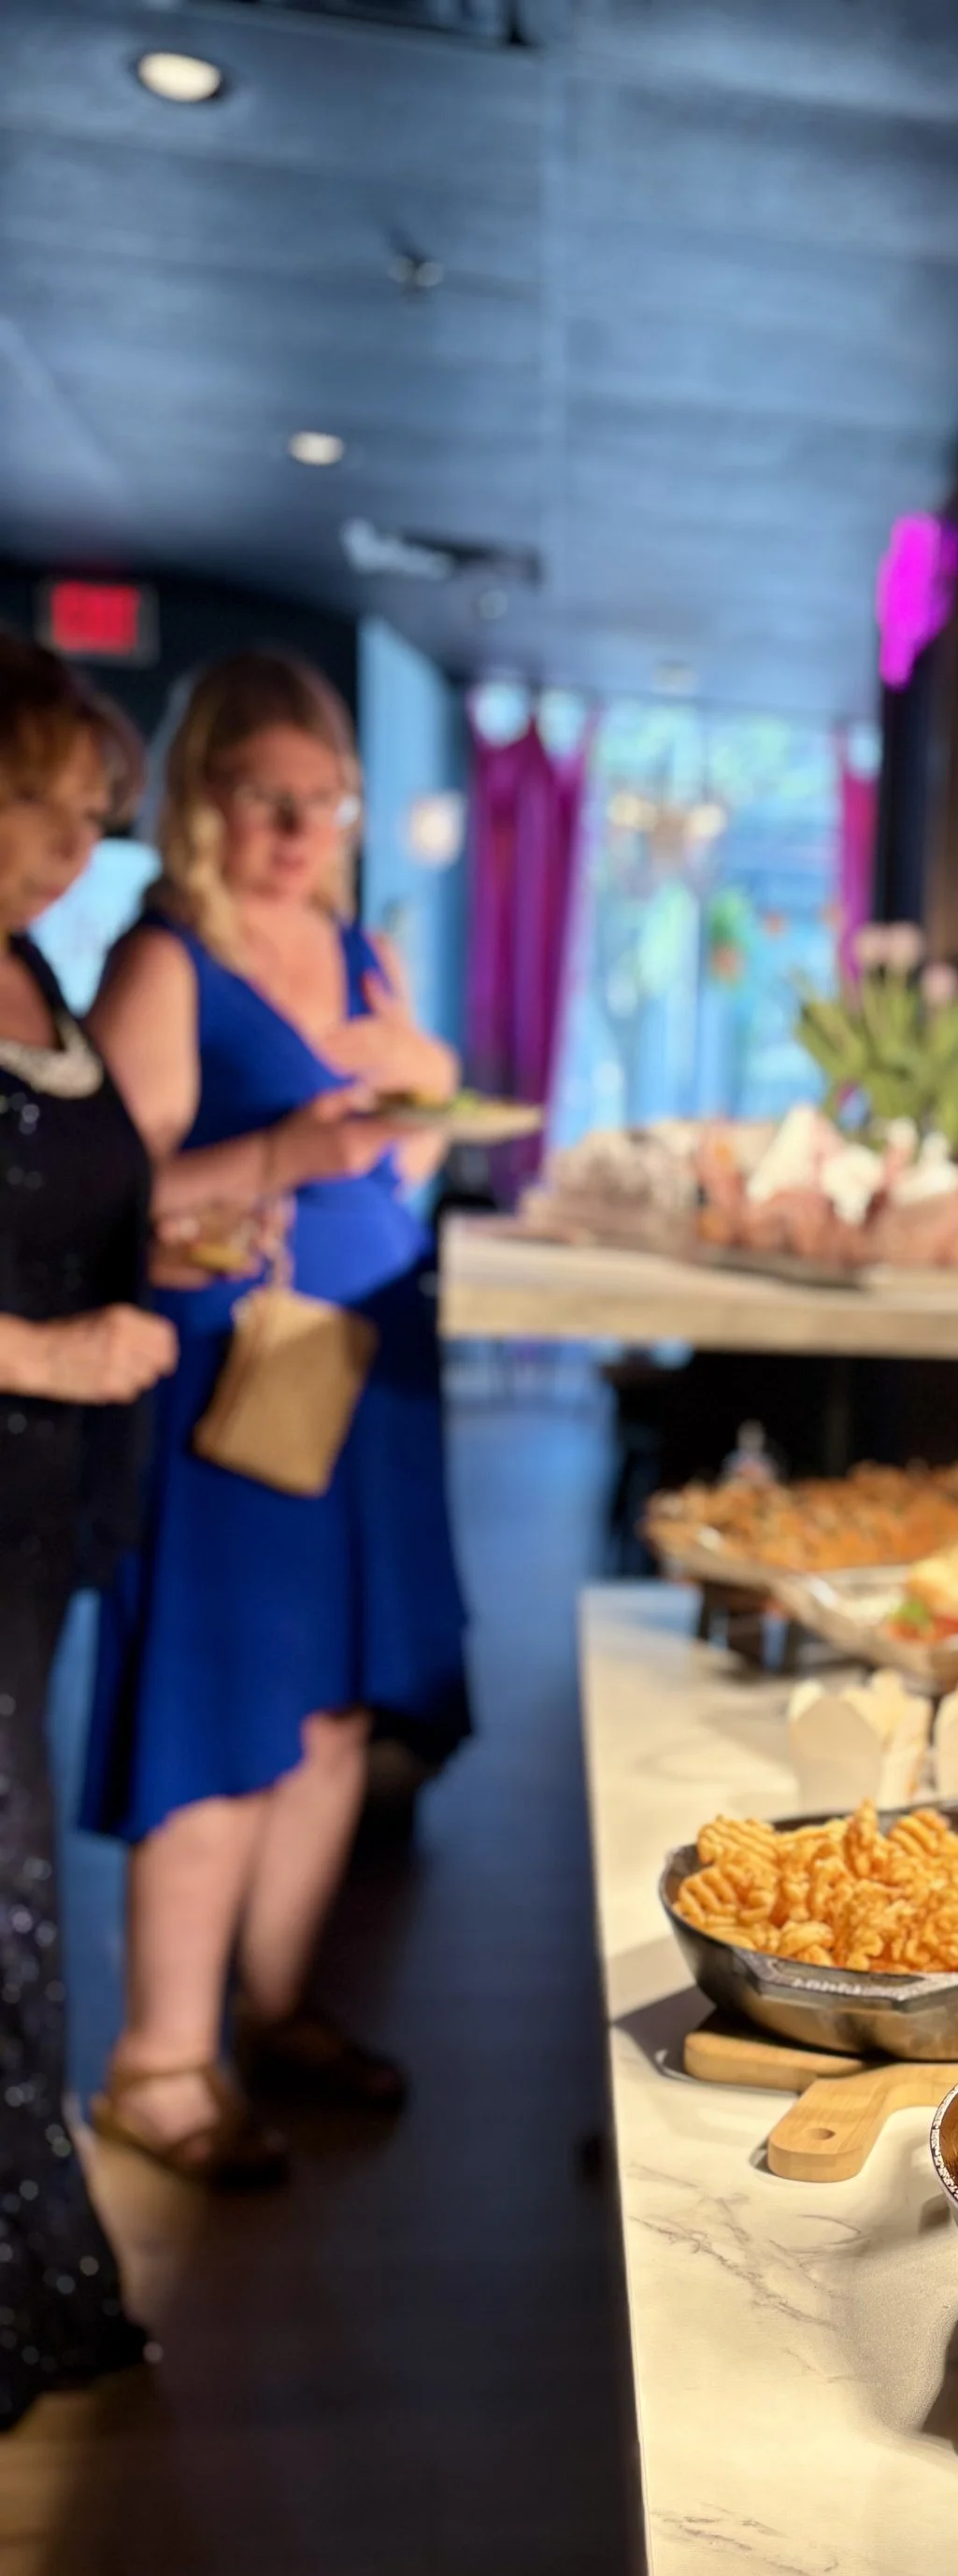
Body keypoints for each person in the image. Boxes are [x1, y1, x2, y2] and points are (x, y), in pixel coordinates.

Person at [83, 650, 471, 2183]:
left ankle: (278, 2009)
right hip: (234, 1392)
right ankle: (158, 2065)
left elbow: (396, 1177)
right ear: (204, 802)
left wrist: (425, 1098)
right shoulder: (168, 960)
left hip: (370, 1377)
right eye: (270, 799)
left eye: (328, 802)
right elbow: (102, 1206)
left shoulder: (363, 960)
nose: (303, 832)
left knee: (332, 1721)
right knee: (229, 1718)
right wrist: (282, 1161)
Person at [0, 635, 176, 2413]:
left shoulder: (36, 974)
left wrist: (161, 1256)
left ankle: (31, 2282)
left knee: (20, 1894)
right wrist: (47, 1342)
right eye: (40, 801)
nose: (67, 842)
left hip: (37, 1516)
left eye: (85, 814)